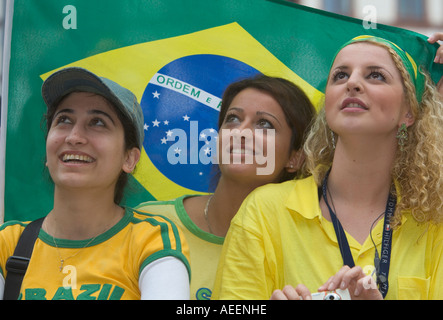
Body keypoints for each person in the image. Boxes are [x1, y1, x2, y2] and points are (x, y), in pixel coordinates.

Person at [212, 35, 443, 300]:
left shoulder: (434, 221)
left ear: (409, 112)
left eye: (376, 76)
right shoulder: (263, 211)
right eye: (340, 76)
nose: (353, 83)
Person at [0, 67, 190, 300]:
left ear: (129, 158)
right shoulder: (8, 243)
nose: (74, 137)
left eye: (98, 122)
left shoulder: (149, 240)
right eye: (64, 120)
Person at [136, 74, 316, 300]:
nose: (241, 132)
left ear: (295, 158)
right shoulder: (148, 223)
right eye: (232, 119)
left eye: (264, 124)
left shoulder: (303, 250)